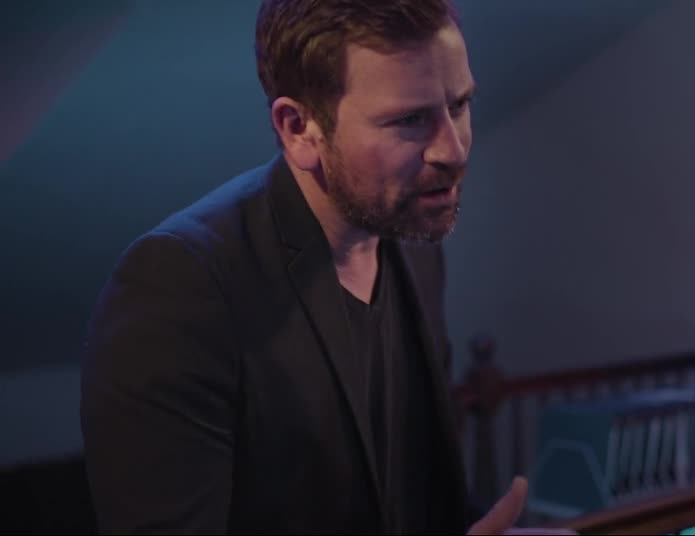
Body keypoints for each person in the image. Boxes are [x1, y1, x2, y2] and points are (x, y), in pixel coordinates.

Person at [79, 1, 573, 534]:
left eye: (459, 105)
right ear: (299, 128)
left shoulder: (413, 243)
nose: (452, 151)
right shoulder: (178, 288)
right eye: (409, 120)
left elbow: (411, 500)